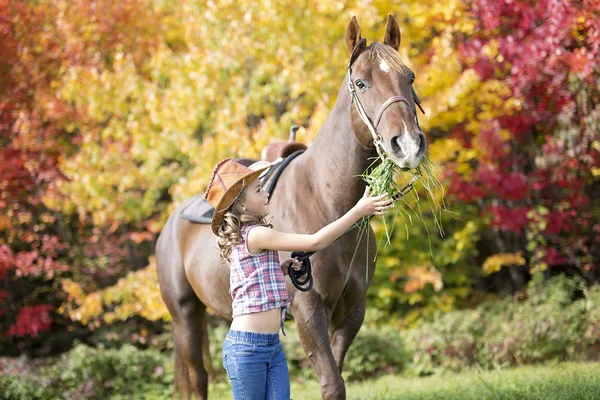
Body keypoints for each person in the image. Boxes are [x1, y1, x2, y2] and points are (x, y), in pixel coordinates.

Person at [204, 158, 393, 400]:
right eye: (259, 190)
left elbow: (251, 279)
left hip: (271, 345)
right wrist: (359, 210)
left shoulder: (252, 238)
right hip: (246, 349)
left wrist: (280, 269)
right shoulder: (257, 234)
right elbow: (316, 242)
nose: (267, 192)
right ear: (241, 206)